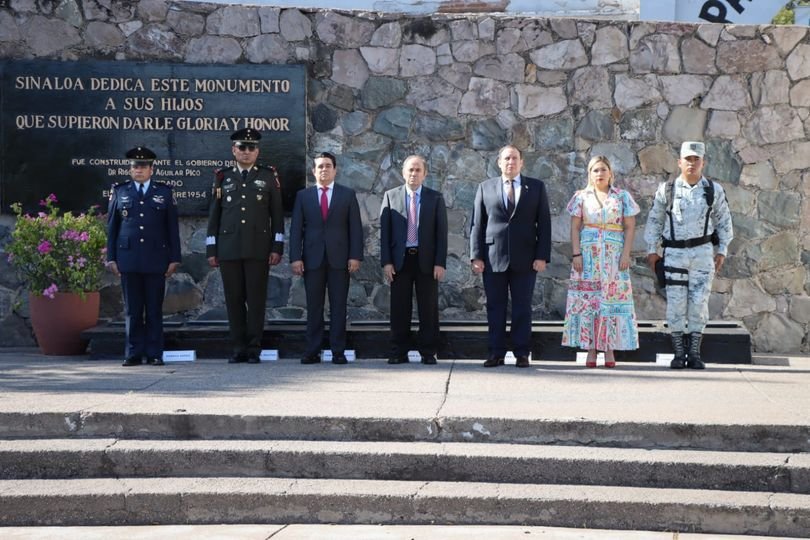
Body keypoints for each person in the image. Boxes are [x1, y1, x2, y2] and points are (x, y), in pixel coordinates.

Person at [644, 141, 733, 369]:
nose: (691, 163)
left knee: (698, 304)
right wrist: (652, 250)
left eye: (696, 159)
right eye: (688, 159)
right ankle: (678, 353)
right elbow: (654, 220)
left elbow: (724, 221)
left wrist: (722, 250)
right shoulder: (668, 189)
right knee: (675, 304)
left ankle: (694, 353)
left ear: (703, 162)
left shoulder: (713, 190)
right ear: (679, 162)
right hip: (674, 254)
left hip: (702, 255)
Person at [206, 128, 284, 364]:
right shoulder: (223, 177)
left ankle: (254, 348)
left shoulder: (269, 177)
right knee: (234, 298)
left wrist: (276, 247)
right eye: (242, 147)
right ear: (234, 150)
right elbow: (214, 216)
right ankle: (238, 347)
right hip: (228, 249)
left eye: (251, 148)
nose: (246, 152)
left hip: (258, 248)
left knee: (256, 299)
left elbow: (277, 216)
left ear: (257, 151)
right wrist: (212, 249)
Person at [469, 145, 552, 368]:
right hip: (492, 256)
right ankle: (496, 352)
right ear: (499, 162)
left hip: (526, 258)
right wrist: (476, 256)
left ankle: (522, 353)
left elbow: (544, 223)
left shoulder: (535, 187)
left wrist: (542, 255)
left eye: (515, 158)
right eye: (506, 158)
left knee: (522, 307)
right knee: (495, 307)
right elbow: (477, 224)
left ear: (522, 162)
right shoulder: (485, 188)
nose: (510, 162)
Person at [562, 156, 640, 368]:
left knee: (611, 299)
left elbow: (630, 227)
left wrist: (625, 254)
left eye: (603, 169)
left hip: (614, 256)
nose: (600, 174)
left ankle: (610, 347)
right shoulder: (581, 197)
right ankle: (591, 348)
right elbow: (575, 227)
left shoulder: (622, 197)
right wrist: (576, 254)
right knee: (590, 300)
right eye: (595, 170)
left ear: (610, 173)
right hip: (588, 256)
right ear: (590, 174)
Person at [106, 146, 181, 367]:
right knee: (133, 310)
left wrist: (174, 258)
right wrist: (111, 257)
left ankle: (155, 353)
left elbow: (172, 229)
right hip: (128, 258)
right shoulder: (120, 191)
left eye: (143, 166)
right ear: (130, 169)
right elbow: (113, 228)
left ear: (151, 168)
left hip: (156, 258)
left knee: (154, 310)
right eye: (134, 166)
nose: (138, 170)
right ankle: (133, 353)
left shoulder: (164, 192)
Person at [289, 151, 363, 365]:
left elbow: (355, 228)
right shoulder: (303, 196)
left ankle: (338, 351)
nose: (324, 169)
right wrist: (295, 257)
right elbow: (296, 230)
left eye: (328, 166)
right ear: (314, 171)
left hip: (340, 260)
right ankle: (312, 351)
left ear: (335, 170)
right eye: (320, 166)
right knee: (314, 307)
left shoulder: (347, 195)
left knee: (339, 307)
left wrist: (355, 256)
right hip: (312, 259)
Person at [380, 155, 448, 365]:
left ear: (425, 174)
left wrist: (440, 262)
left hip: (426, 261)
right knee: (399, 308)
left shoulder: (435, 198)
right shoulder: (391, 196)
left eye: (418, 170)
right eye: (410, 170)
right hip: (400, 262)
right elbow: (386, 233)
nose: (414, 174)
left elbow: (441, 234)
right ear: (403, 172)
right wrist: (387, 262)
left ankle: (428, 351)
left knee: (428, 308)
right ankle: (398, 351)